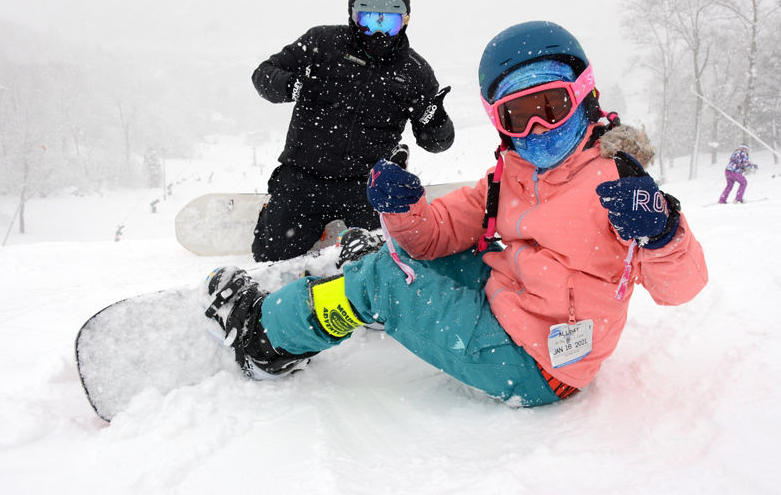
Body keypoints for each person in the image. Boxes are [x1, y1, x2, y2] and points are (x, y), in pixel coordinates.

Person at [204, 21, 708, 407]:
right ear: (498, 122)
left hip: (540, 364)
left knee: (383, 278)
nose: (536, 129)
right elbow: (436, 235)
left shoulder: (620, 187)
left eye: (551, 106)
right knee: (404, 254)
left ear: (585, 96)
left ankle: (264, 340)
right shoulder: (510, 175)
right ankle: (367, 290)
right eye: (516, 115)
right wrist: (405, 209)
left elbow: (680, 288)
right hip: (511, 304)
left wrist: (663, 234)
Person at [249, 0, 454, 262]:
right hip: (304, 176)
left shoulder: (414, 71)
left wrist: (435, 122)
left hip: (366, 185)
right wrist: (293, 85)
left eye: (390, 22)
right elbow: (263, 75)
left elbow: (438, 142)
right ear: (353, 15)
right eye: (369, 19)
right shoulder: (322, 43)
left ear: (405, 21)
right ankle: (276, 213)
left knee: (383, 263)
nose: (379, 32)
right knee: (271, 257)